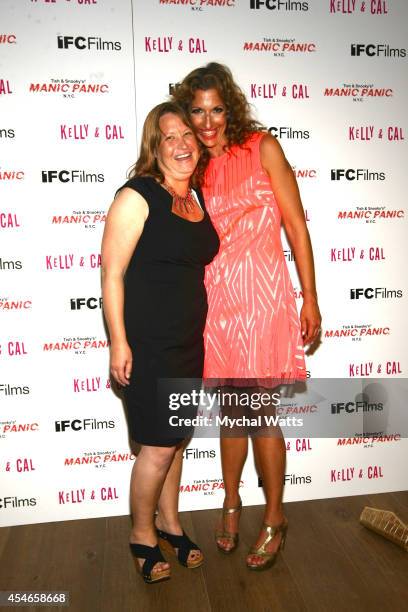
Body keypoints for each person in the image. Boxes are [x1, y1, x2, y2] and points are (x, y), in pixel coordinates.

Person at [172, 63, 321, 571]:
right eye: (198, 110)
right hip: (217, 302)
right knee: (233, 413)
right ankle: (232, 503)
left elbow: (297, 227)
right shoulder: (193, 166)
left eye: (216, 108)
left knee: (259, 413)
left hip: (262, 300)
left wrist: (311, 297)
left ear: (229, 107)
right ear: (186, 113)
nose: (208, 121)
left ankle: (276, 516)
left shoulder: (262, 147)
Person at [101, 102, 219, 583]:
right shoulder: (138, 195)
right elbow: (112, 274)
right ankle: (141, 535)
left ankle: (171, 525)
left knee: (175, 444)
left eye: (187, 134)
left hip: (189, 341)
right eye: (169, 136)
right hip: (149, 344)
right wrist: (118, 343)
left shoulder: (198, 199)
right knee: (156, 447)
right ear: (155, 146)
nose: (181, 143)